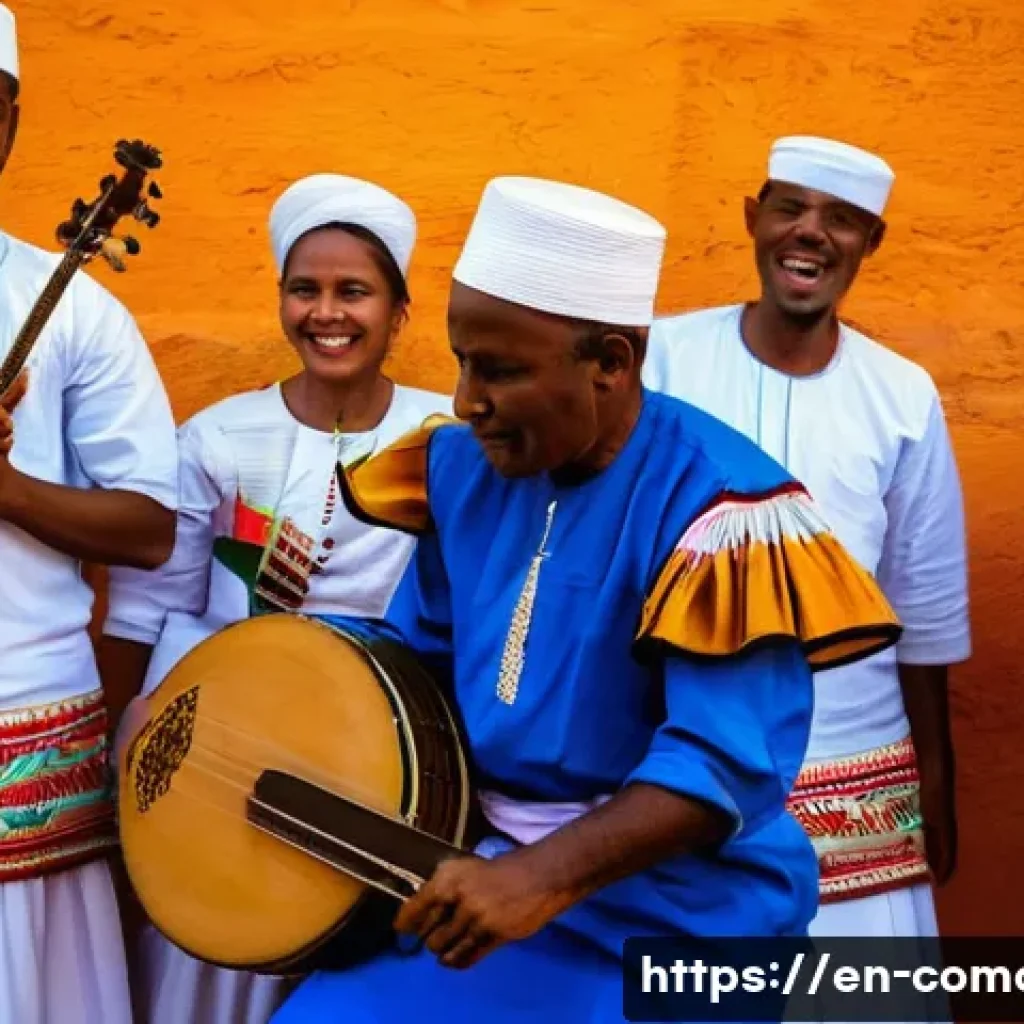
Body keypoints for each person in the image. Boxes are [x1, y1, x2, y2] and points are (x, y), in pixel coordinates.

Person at [263, 174, 903, 1024]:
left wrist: (537, 879)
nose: (465, 402)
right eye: (460, 361)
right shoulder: (464, 469)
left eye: (499, 370)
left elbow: (720, 764)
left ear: (610, 363)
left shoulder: (722, 509)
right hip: (486, 882)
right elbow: (417, 668)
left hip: (683, 923)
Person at [99, 173, 453, 1024]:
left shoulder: (448, 441)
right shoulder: (220, 438)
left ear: (399, 311)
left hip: (394, 762)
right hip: (229, 762)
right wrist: (134, 725)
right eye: (306, 290)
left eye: (354, 292)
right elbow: (157, 609)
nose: (326, 313)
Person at [642, 136, 971, 948]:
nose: (811, 232)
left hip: (856, 773)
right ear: (754, 220)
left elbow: (921, 608)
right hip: (680, 757)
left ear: (872, 243)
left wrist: (936, 777)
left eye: (843, 220)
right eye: (790, 208)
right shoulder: (663, 362)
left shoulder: (900, 395)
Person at [0, 5, 180, 1023]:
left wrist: (11, 490)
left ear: (9, 122)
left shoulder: (74, 305)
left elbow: (150, 527)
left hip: (24, 715)